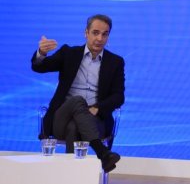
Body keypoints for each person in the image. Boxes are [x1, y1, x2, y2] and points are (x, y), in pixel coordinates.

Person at [31, 14, 125, 173]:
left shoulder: (115, 62)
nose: (100, 38)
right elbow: (39, 67)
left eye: (105, 34)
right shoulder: (69, 53)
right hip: (61, 118)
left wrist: (97, 108)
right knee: (77, 100)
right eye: (95, 33)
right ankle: (102, 152)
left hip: (95, 121)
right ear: (86, 33)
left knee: (74, 127)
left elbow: (118, 96)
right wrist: (41, 52)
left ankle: (71, 176)